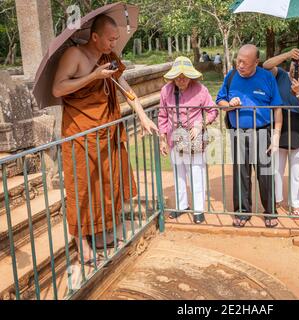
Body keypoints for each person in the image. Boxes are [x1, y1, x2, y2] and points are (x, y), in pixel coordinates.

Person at [52, 15, 159, 265]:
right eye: (110, 39)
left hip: (106, 131)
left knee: (107, 184)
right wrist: (93, 76)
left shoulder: (110, 59)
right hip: (80, 133)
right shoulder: (74, 56)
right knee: (82, 188)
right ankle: (82, 241)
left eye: (115, 39)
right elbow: (57, 89)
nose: (113, 43)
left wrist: (142, 116)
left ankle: (101, 231)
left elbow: (124, 87)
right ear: (95, 36)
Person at [216, 44, 283, 228]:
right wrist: (229, 105)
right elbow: (219, 101)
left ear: (256, 62)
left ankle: (270, 212)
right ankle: (242, 212)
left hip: (263, 132)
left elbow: (277, 108)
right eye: (238, 60)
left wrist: (276, 135)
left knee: (265, 174)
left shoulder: (267, 77)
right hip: (238, 132)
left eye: (245, 62)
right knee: (241, 174)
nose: (240, 65)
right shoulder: (231, 77)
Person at [158, 56, 218, 224]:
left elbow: (212, 111)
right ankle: (181, 206)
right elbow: (162, 116)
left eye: (184, 77)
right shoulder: (166, 91)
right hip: (174, 139)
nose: (181, 80)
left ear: (191, 76)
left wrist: (201, 124)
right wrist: (162, 139)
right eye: (178, 77)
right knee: (178, 174)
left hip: (194, 140)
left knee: (196, 173)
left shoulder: (200, 90)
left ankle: (198, 209)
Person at [263, 49, 299, 217]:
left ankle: (297, 203)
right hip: (279, 124)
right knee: (277, 167)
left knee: (298, 168)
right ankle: (277, 199)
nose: (297, 69)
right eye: (295, 65)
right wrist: (287, 55)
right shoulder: (280, 75)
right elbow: (265, 65)